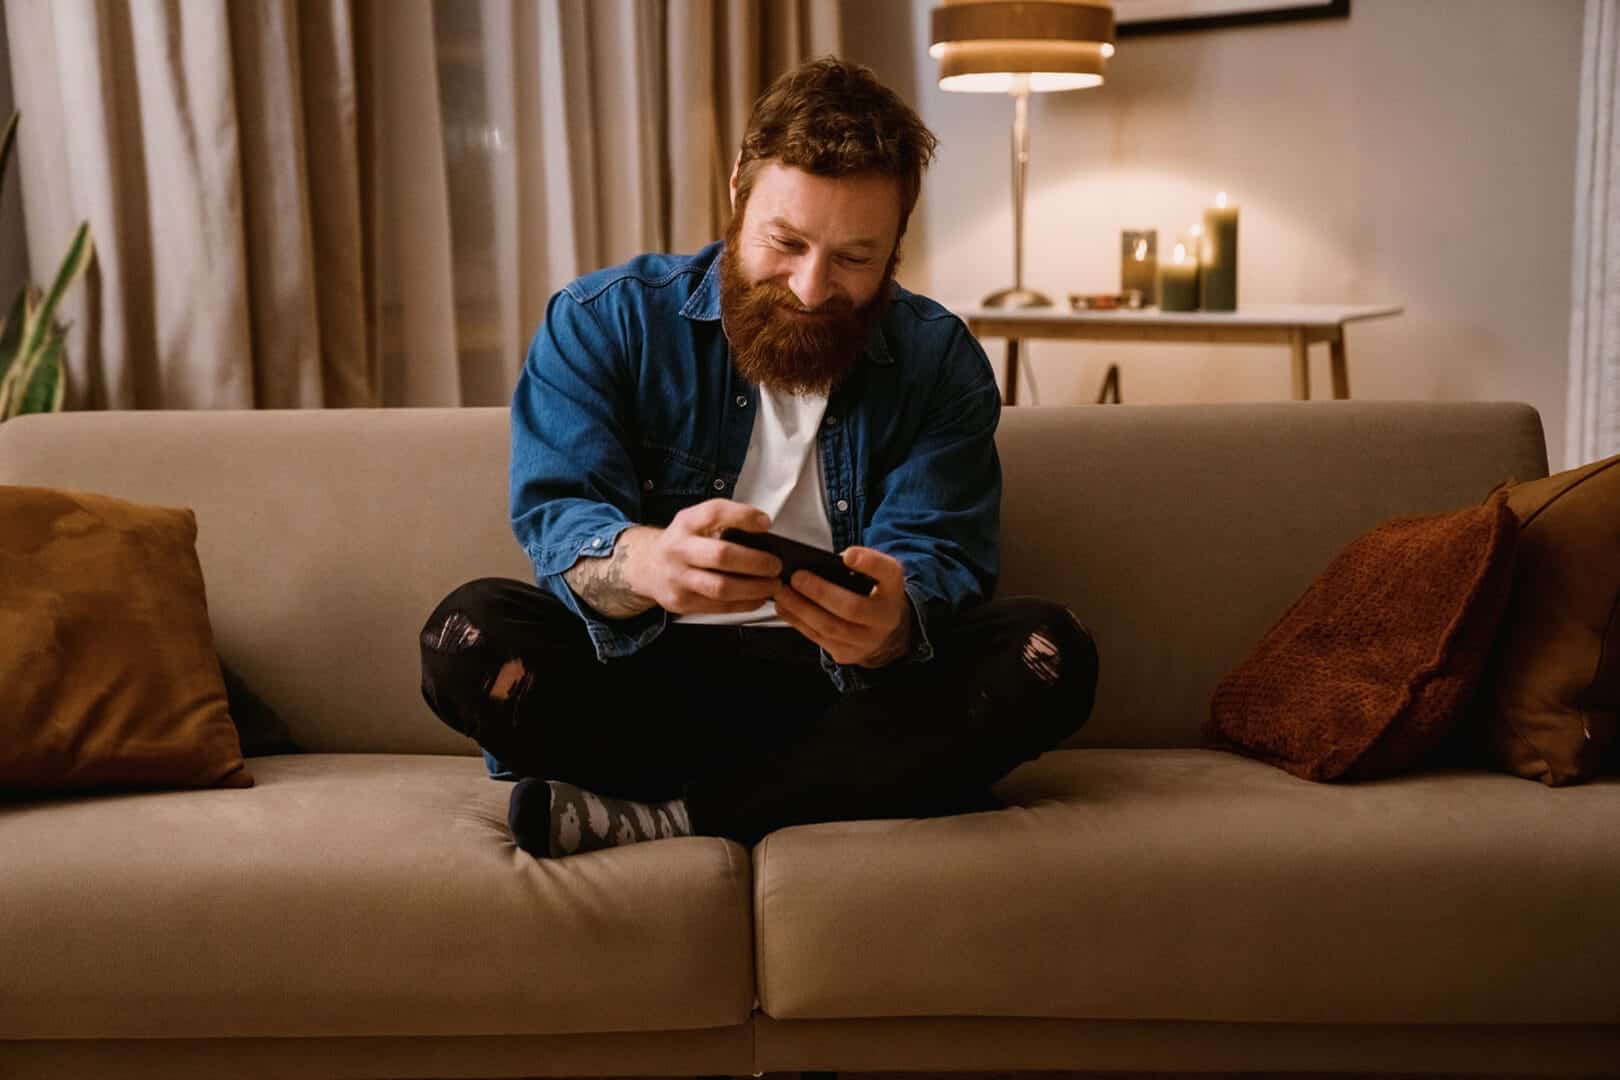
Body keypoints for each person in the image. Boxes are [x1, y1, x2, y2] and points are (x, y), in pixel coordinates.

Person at [418, 56, 1098, 858]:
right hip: (646, 674)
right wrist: (647, 565)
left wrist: (885, 629)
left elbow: (939, 555)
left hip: (847, 693)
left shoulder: (939, 360)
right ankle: (825, 790)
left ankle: (675, 814)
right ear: (738, 189)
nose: (812, 288)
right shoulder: (602, 321)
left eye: (854, 258)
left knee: (1050, 653)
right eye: (787, 242)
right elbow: (561, 519)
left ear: (896, 245)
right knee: (466, 634)